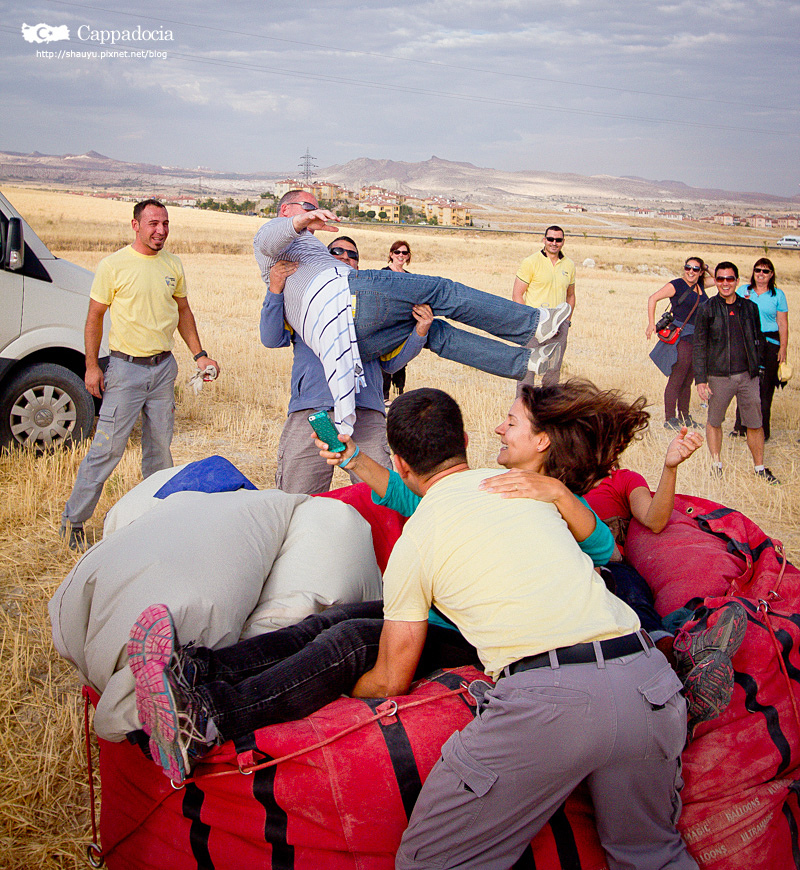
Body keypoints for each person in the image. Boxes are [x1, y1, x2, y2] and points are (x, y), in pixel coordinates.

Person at [346, 388, 698, 870]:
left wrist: (346, 701)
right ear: (464, 440)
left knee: (428, 862)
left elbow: (391, 678)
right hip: (644, 680)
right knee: (652, 855)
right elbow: (419, 492)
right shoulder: (518, 488)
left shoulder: (513, 496)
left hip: (550, 696)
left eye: (510, 421)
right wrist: (354, 458)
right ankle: (680, 657)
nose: (500, 428)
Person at [253, 191, 570, 434]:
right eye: (308, 207)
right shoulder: (276, 239)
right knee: (441, 291)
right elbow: (267, 238)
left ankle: (528, 361)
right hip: (346, 305)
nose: (314, 212)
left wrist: (418, 333)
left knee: (433, 329)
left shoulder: (302, 256)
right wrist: (299, 225)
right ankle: (534, 325)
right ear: (286, 211)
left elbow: (391, 362)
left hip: (349, 343)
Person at [60, 200, 220, 550]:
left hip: (163, 370)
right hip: (124, 370)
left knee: (160, 451)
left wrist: (199, 354)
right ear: (135, 225)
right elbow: (94, 319)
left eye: (165, 223)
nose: (160, 230)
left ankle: (156, 518)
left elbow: (183, 311)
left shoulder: (172, 264)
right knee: (107, 450)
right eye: (152, 223)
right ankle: (74, 521)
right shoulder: (113, 266)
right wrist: (91, 366)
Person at [260, 234, 431, 494]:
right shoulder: (305, 302)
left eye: (352, 255)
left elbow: (392, 364)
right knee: (295, 498)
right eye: (336, 252)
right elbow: (271, 339)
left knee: (380, 500)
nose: (345, 258)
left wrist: (420, 332)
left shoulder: (373, 310)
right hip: (313, 410)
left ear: (358, 268)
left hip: (365, 410)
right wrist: (275, 288)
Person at [693, 262, 778, 483]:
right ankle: (716, 464)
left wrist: (759, 368)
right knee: (714, 421)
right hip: (719, 376)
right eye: (720, 279)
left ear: (737, 281)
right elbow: (699, 345)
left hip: (748, 377)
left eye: (729, 279)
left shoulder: (750, 308)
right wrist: (701, 380)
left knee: (755, 423)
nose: (725, 283)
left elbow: (758, 339)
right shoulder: (707, 308)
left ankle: (760, 468)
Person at [646, 256, 711, 428]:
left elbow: (724, 279)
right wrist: (651, 323)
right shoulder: (676, 284)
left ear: (701, 272)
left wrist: (707, 267)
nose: (690, 271)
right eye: (687, 267)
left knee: (688, 379)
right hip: (682, 336)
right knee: (677, 377)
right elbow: (652, 298)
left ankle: (684, 417)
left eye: (695, 269)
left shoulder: (700, 285)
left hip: (696, 337)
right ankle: (670, 418)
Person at [731, 258, 789, 441]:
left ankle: (763, 430)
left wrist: (783, 349)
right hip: (747, 343)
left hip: (770, 343)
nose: (761, 274)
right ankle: (740, 427)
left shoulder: (777, 295)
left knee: (765, 388)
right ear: (753, 272)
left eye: (765, 271)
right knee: (743, 384)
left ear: (771, 274)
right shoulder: (743, 292)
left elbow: (783, 323)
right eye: (758, 270)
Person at [512, 225, 575, 390]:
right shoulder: (530, 262)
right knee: (527, 369)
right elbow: (517, 294)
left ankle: (548, 411)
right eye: (550, 239)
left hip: (559, 326)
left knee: (553, 372)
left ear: (563, 242)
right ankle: (523, 408)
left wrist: (566, 322)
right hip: (534, 324)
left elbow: (571, 295)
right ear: (544, 240)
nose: (554, 243)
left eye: (558, 240)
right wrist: (527, 322)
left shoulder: (569, 265)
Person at [382, 240, 413, 403]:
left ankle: (400, 393)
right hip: (386, 322)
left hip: (403, 323)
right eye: (397, 252)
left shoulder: (410, 278)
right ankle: (384, 396)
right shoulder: (383, 273)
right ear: (391, 254)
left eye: (404, 253)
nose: (401, 255)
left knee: (402, 358)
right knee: (385, 358)